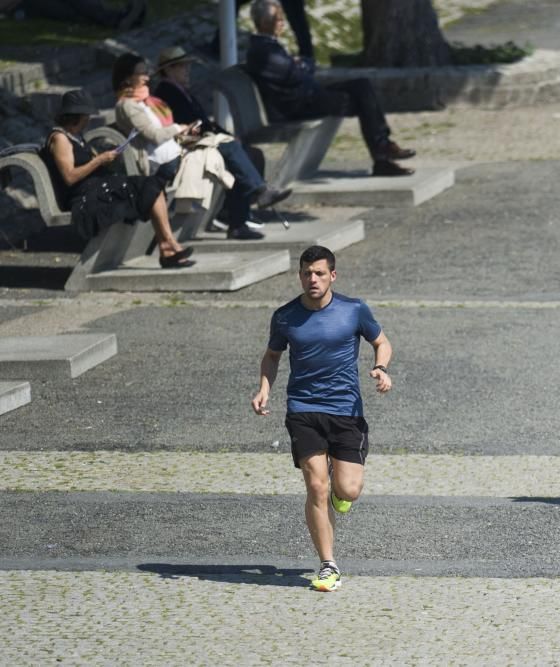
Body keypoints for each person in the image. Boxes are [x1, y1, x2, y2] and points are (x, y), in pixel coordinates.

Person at [252, 245, 393, 591]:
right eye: (305, 273)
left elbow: (382, 342)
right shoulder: (285, 316)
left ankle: (337, 492)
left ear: (333, 275)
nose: (311, 279)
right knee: (315, 485)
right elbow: (272, 356)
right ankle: (328, 565)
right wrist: (264, 389)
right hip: (303, 409)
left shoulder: (353, 310)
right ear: (299, 275)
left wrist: (380, 367)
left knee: (348, 489)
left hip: (346, 411)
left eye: (318, 273)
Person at [112, 53, 288, 241]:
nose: (147, 77)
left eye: (146, 72)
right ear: (129, 78)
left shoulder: (149, 102)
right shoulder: (129, 105)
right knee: (232, 151)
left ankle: (248, 207)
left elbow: (173, 128)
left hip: (176, 149)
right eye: (141, 73)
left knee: (232, 151)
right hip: (162, 161)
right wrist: (179, 128)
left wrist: (184, 131)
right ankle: (250, 203)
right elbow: (155, 135)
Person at [245, 0, 416, 178]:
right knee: (362, 100)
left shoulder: (267, 46)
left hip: (306, 96)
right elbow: (295, 73)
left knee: (362, 85)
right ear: (265, 23)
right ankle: (382, 154)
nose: (282, 23)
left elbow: (297, 70)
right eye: (279, 19)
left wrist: (301, 65)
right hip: (298, 105)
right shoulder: (262, 51)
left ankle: (383, 150)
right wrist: (302, 65)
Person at [41, 89, 194, 269]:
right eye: (86, 115)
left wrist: (107, 159)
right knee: (147, 185)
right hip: (85, 197)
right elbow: (69, 177)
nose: (88, 119)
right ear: (77, 115)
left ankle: (167, 245)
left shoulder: (75, 136)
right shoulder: (60, 138)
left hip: (98, 186)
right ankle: (168, 246)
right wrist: (99, 160)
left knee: (151, 184)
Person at [2, 0, 145, 30]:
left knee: (73, 9)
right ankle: (118, 19)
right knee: (67, 10)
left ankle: (120, 18)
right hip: (21, 6)